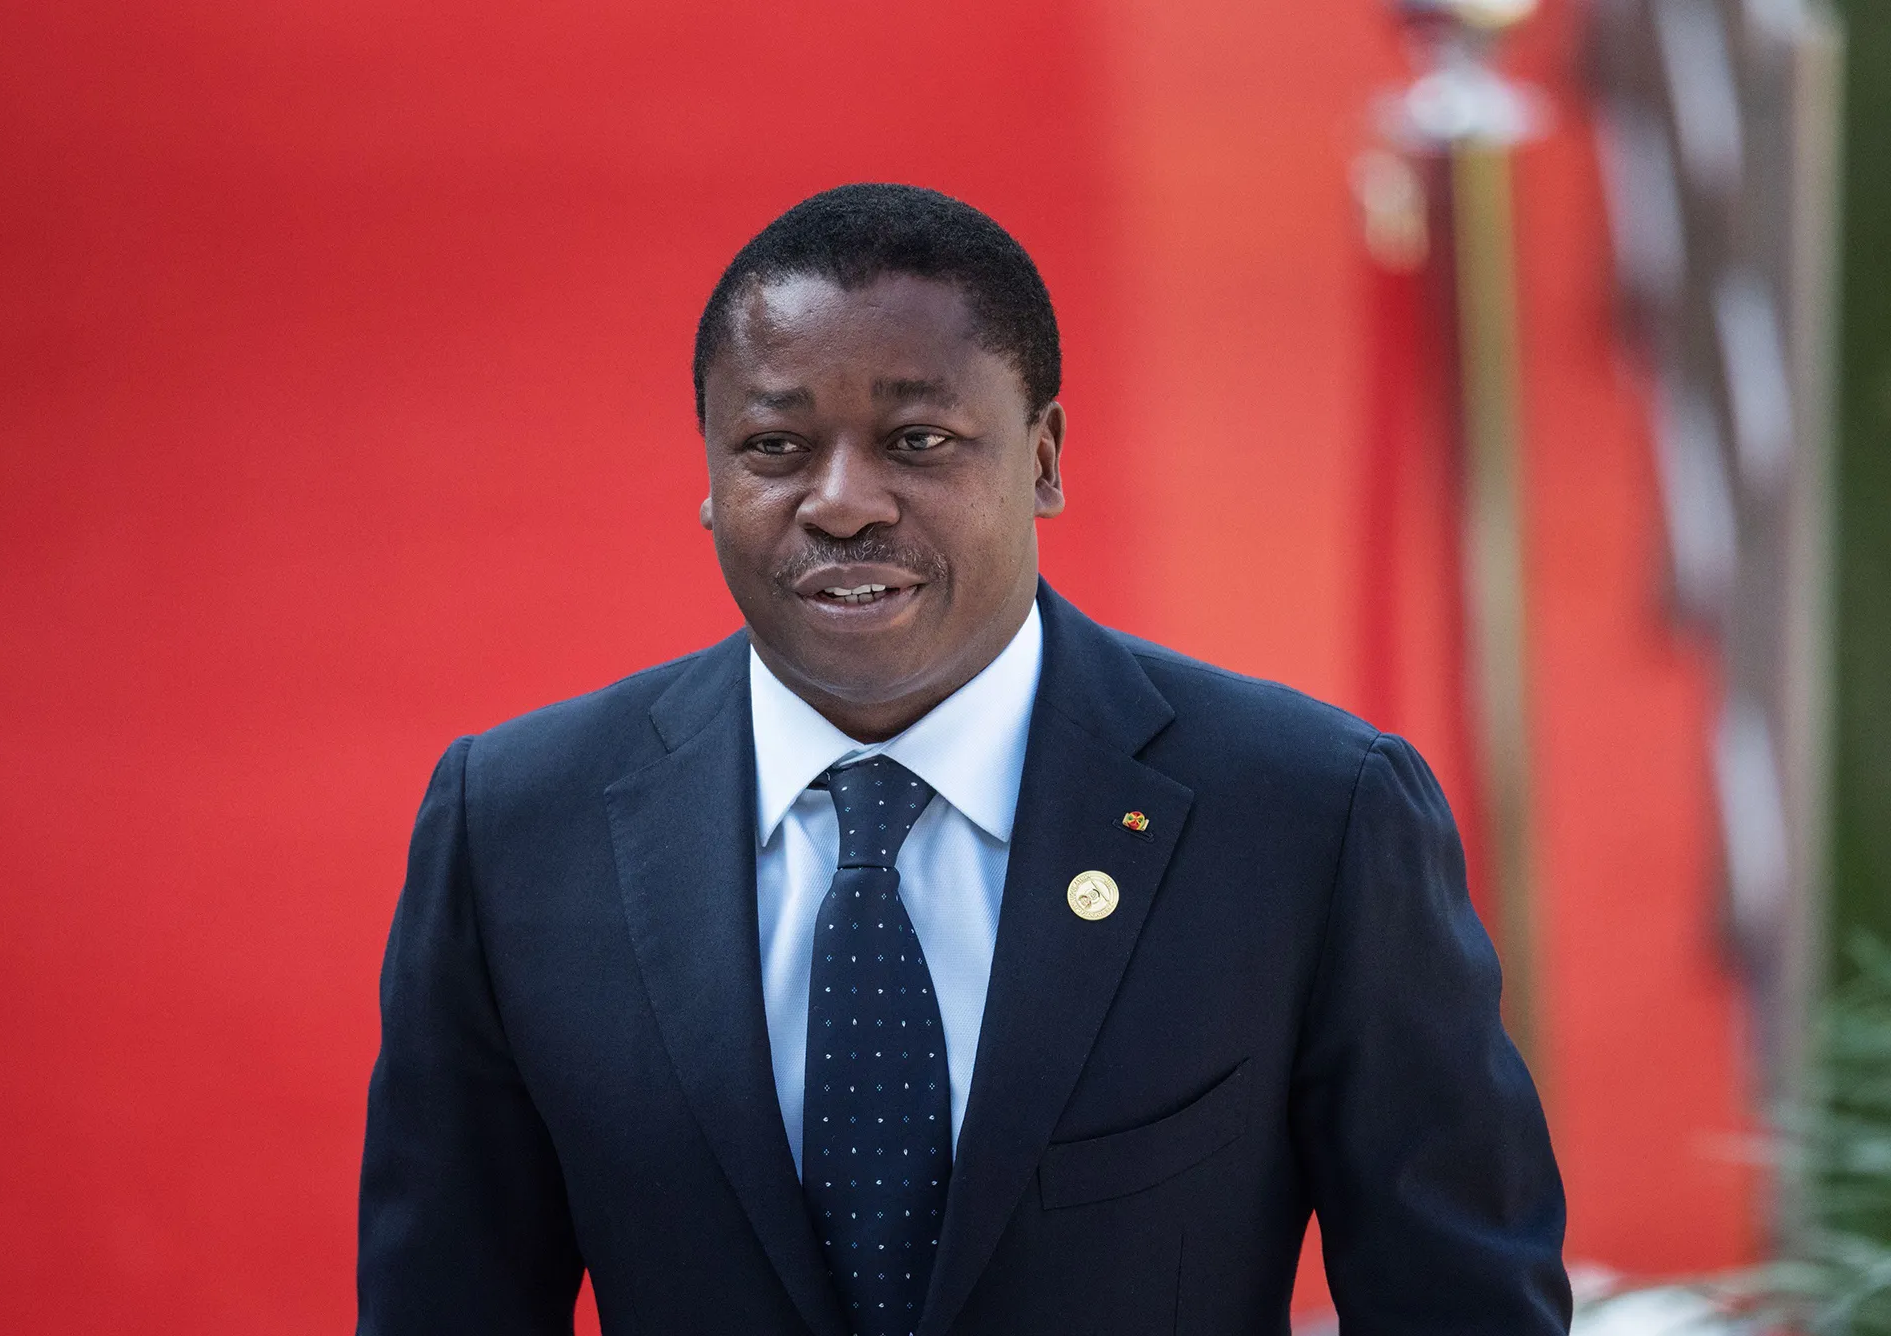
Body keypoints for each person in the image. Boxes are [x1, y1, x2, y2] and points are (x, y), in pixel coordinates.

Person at [357, 183, 1568, 1336]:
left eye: (917, 438)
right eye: (773, 446)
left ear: (1041, 459)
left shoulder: (1304, 815)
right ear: (710, 474)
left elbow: (1457, 1305)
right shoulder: (514, 829)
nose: (840, 502)